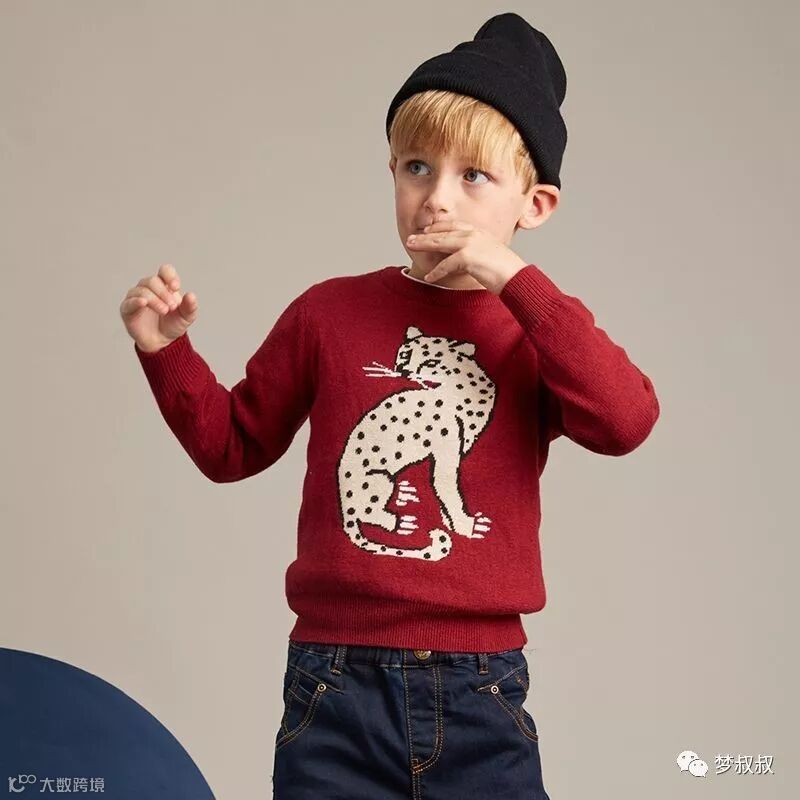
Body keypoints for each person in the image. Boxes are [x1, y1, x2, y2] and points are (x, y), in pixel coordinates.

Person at [119, 12, 660, 799]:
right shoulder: (328, 312)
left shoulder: (535, 330)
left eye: (473, 176)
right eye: (416, 167)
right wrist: (166, 350)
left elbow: (625, 421)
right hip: (334, 681)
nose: (435, 200)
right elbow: (231, 446)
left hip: (481, 685)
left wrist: (517, 283)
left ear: (534, 204)